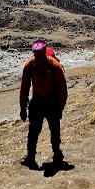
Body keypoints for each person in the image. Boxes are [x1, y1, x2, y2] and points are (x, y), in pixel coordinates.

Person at [19, 40, 68, 169]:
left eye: (39, 53)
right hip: (38, 102)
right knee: (34, 131)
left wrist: (60, 107)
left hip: (50, 102)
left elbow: (62, 89)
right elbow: (24, 87)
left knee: (54, 131)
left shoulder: (55, 65)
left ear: (44, 52)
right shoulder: (29, 66)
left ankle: (56, 154)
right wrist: (23, 107)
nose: (38, 56)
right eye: (36, 54)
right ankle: (31, 157)